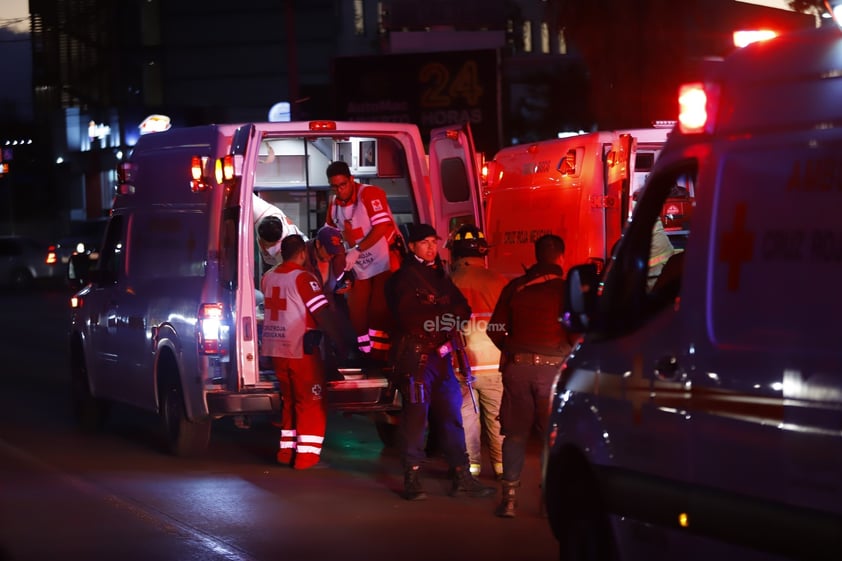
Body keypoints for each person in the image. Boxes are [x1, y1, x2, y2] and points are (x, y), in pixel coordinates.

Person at [384, 222, 495, 501]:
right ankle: (412, 478)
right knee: (415, 420)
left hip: (443, 356)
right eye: (425, 243)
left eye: (434, 241)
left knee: (451, 417)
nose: (432, 247)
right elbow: (411, 320)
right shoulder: (403, 279)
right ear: (412, 246)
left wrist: (439, 313)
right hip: (418, 358)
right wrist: (444, 313)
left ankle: (461, 476)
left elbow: (464, 310)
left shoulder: (440, 274)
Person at [487, 234, 580, 517]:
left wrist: (514, 350)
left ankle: (510, 499)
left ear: (537, 255)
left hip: (518, 368)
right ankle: (551, 500)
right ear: (561, 258)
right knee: (552, 435)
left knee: (514, 434)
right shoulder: (567, 291)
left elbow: (494, 328)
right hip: (552, 372)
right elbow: (577, 333)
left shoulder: (516, 287)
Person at [260, 234, 348, 470]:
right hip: (301, 349)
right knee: (311, 401)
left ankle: (286, 451)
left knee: (289, 401)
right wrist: (339, 342)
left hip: (276, 350)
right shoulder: (303, 278)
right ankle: (306, 457)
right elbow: (322, 314)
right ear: (301, 253)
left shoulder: (267, 277)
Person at [446, 224, 507, 480]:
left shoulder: (449, 283)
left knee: (467, 419)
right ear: (482, 252)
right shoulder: (499, 281)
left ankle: (472, 469)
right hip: (495, 363)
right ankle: (503, 469)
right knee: (498, 419)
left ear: (455, 254)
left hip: (462, 364)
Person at [324, 160, 399, 360]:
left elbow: (382, 227)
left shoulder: (369, 193)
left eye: (343, 185)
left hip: (384, 260)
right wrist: (340, 271)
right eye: (335, 186)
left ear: (351, 179)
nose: (340, 190)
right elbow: (330, 236)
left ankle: (381, 356)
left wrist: (357, 249)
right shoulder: (334, 206)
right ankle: (364, 353)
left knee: (379, 309)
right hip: (358, 266)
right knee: (357, 310)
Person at [254, 194, 305, 269]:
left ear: (274, 243)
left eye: (266, 243)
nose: (262, 242)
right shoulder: (262, 212)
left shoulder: (284, 254)